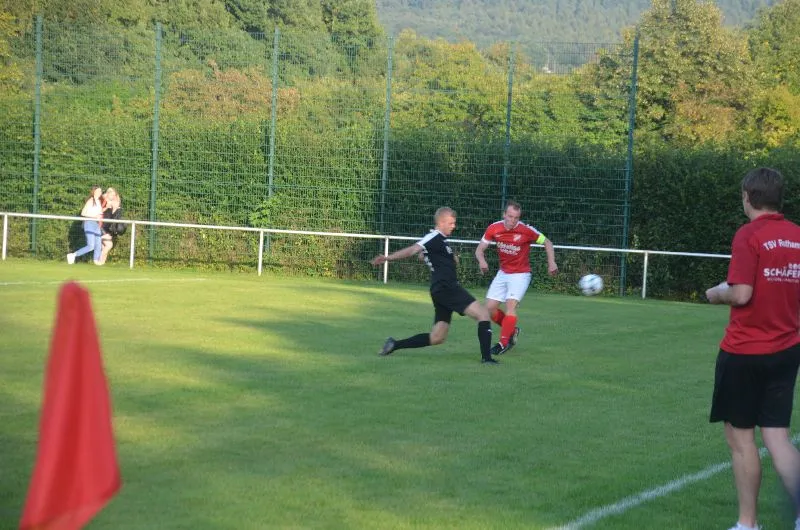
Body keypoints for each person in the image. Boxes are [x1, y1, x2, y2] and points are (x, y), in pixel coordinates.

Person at [705, 168, 800, 530]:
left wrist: (717, 293)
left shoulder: (749, 235)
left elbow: (741, 294)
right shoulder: (797, 236)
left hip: (745, 351)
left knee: (741, 438)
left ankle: (747, 524)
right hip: (787, 349)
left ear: (748, 196)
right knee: (777, 436)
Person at [371, 207, 497, 364]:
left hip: (440, 290)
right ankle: (487, 359)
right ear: (441, 222)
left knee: (437, 337)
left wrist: (447, 259)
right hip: (447, 288)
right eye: (451, 223)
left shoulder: (441, 240)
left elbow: (427, 255)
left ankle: (394, 344)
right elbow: (413, 250)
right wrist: (388, 258)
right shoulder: (433, 237)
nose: (454, 226)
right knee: (483, 314)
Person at [475, 200, 558, 355]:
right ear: (504, 214)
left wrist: (551, 262)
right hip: (503, 273)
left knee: (510, 305)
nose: (513, 220)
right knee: (489, 309)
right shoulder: (494, 228)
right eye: (510, 216)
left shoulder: (526, 230)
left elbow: (547, 242)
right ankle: (511, 330)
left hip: (520, 274)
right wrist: (482, 261)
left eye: (516, 218)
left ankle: (503, 343)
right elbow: (479, 250)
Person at [66, 186, 104, 265]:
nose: (100, 193)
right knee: (91, 246)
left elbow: (99, 213)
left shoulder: (99, 201)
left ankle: (96, 260)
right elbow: (83, 213)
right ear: (94, 192)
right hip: (89, 223)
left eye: (100, 191)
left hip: (96, 224)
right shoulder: (91, 201)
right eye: (98, 191)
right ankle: (73, 255)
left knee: (98, 244)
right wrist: (94, 216)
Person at [97, 187, 124, 265]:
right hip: (101, 226)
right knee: (109, 245)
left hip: (107, 228)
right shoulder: (103, 201)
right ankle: (98, 261)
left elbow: (115, 217)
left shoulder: (114, 204)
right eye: (111, 194)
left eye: (114, 195)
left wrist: (115, 208)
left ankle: (101, 263)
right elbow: (98, 211)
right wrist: (107, 207)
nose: (113, 196)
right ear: (107, 194)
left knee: (104, 245)